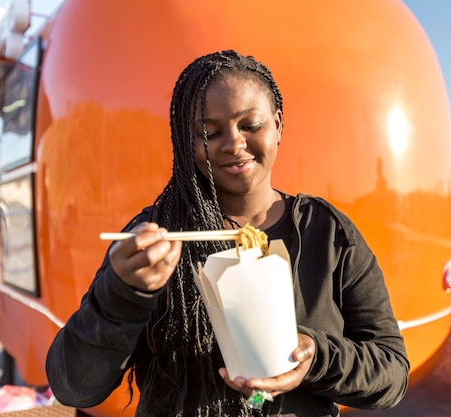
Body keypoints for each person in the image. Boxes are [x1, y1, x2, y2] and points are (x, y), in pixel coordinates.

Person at [46, 50, 409, 417]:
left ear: (278, 125)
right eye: (210, 132)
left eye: (250, 125)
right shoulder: (157, 241)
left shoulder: (327, 233)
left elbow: (392, 373)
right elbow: (73, 386)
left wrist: (316, 358)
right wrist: (123, 294)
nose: (234, 144)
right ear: (187, 142)